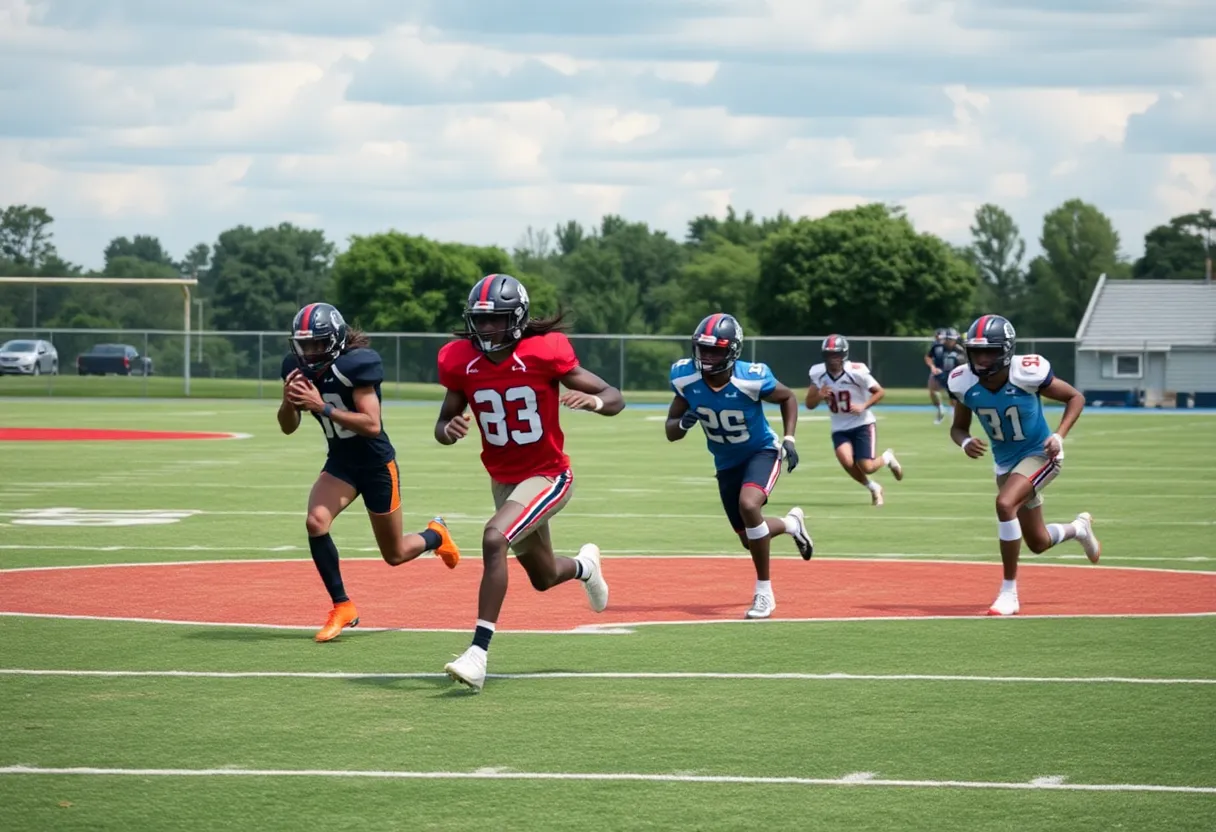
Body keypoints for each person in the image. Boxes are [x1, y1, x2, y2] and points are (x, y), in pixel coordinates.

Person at [434, 274, 623, 692]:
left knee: (493, 537)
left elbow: (614, 396)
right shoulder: (458, 360)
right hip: (505, 481)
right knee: (542, 577)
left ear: (516, 320)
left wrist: (591, 402)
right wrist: (448, 429)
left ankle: (477, 654)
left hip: (549, 475)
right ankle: (585, 567)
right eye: (480, 321)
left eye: (495, 320)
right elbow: (443, 420)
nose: (485, 329)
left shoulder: (544, 352)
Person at [278, 302, 461, 643]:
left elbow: (372, 425)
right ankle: (342, 605)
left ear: (333, 340)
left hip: (376, 464)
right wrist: (289, 401)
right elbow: (288, 427)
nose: (308, 352)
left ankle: (436, 534)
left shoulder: (356, 365)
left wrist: (323, 407)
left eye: (316, 343)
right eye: (303, 344)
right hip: (341, 463)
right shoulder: (295, 369)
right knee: (315, 522)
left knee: (394, 554)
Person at [947, 314, 1101, 616]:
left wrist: (1059, 435)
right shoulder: (962, 382)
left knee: (1005, 505)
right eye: (976, 350)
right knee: (1038, 542)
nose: (981, 358)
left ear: (1005, 350)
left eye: (989, 350)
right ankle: (1078, 528)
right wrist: (965, 442)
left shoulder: (1026, 374)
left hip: (1041, 454)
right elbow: (958, 427)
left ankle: (1008, 593)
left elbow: (1075, 397)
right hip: (1005, 463)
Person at [665, 313, 813, 620]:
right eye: (703, 349)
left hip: (761, 451)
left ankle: (764, 593)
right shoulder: (685, 377)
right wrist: (683, 423)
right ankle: (790, 525)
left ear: (731, 351)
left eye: (714, 350)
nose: (706, 356)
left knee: (749, 506)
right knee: (750, 537)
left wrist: (789, 439)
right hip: (726, 462)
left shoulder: (751, 377)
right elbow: (671, 432)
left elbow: (788, 397)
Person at [805, 335, 903, 507]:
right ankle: (873, 488)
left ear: (844, 355)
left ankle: (887, 457)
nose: (832, 359)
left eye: (836, 354)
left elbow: (879, 392)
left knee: (867, 466)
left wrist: (863, 405)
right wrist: (819, 395)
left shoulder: (856, 372)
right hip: (839, 426)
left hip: (862, 423)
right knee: (846, 460)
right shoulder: (818, 373)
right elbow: (809, 404)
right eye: (829, 355)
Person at [926, 327, 964, 424]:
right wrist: (933, 367)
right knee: (932, 388)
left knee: (954, 399)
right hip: (940, 372)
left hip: (954, 375)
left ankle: (955, 419)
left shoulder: (961, 349)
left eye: (952, 339)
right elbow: (928, 357)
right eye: (949, 339)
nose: (951, 342)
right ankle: (940, 409)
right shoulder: (937, 347)